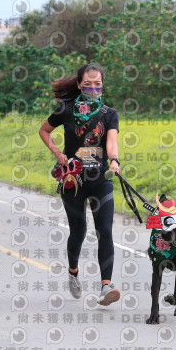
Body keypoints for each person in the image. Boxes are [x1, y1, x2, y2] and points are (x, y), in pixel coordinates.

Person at [38, 63, 121, 306]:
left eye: (98, 84)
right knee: (79, 231)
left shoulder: (109, 113)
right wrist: (57, 152)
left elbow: (112, 143)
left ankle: (106, 287)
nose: (93, 89)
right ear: (78, 84)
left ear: (103, 85)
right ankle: (73, 272)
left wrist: (114, 161)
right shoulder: (65, 110)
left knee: (104, 230)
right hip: (73, 180)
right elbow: (44, 131)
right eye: (88, 84)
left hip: (101, 180)